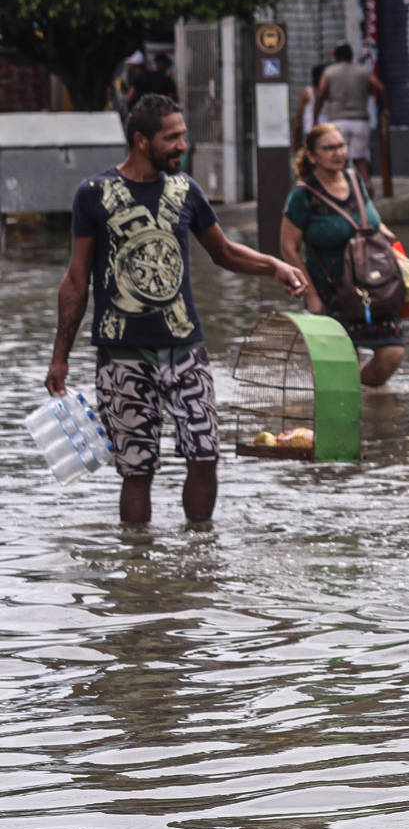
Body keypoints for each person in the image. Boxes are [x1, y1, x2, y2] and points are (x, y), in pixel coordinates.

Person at [45, 95, 307, 525]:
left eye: (183, 135)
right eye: (173, 137)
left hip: (186, 350)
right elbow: (76, 280)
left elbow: (222, 252)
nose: (183, 145)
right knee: (137, 470)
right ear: (141, 141)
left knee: (205, 456)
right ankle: (139, 570)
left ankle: (199, 557)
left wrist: (273, 265)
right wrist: (60, 355)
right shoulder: (94, 194)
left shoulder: (185, 189)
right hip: (122, 355)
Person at [281, 122, 406, 389]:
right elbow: (288, 247)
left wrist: (384, 232)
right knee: (339, 359)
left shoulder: (353, 178)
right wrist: (311, 295)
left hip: (372, 286)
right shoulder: (302, 196)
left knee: (392, 354)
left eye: (341, 146)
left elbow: (368, 217)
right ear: (312, 156)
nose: (338, 153)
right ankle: (339, 395)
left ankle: (358, 393)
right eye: (329, 148)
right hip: (331, 290)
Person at [311, 44, 386, 171]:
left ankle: (343, 187)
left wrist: (315, 117)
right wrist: (386, 108)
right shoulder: (363, 71)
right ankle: (366, 185)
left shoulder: (329, 72)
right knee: (360, 158)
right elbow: (381, 88)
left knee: (339, 159)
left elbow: (320, 95)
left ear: (336, 57)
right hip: (360, 121)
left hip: (338, 121)